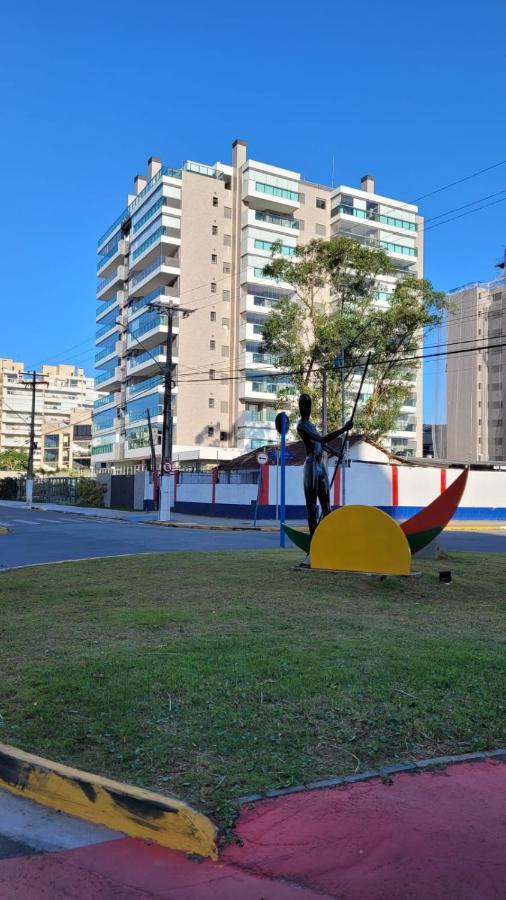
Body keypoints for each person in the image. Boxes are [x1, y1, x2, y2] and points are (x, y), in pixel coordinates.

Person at [297, 393, 352, 535]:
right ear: (300, 407)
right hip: (311, 468)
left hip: (321, 467)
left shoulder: (312, 425)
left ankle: (328, 540)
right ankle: (314, 543)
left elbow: (320, 445)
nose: (306, 408)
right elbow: (320, 439)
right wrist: (343, 429)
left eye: (308, 405)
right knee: (312, 508)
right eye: (303, 405)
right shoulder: (301, 426)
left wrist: (336, 453)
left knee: (327, 508)